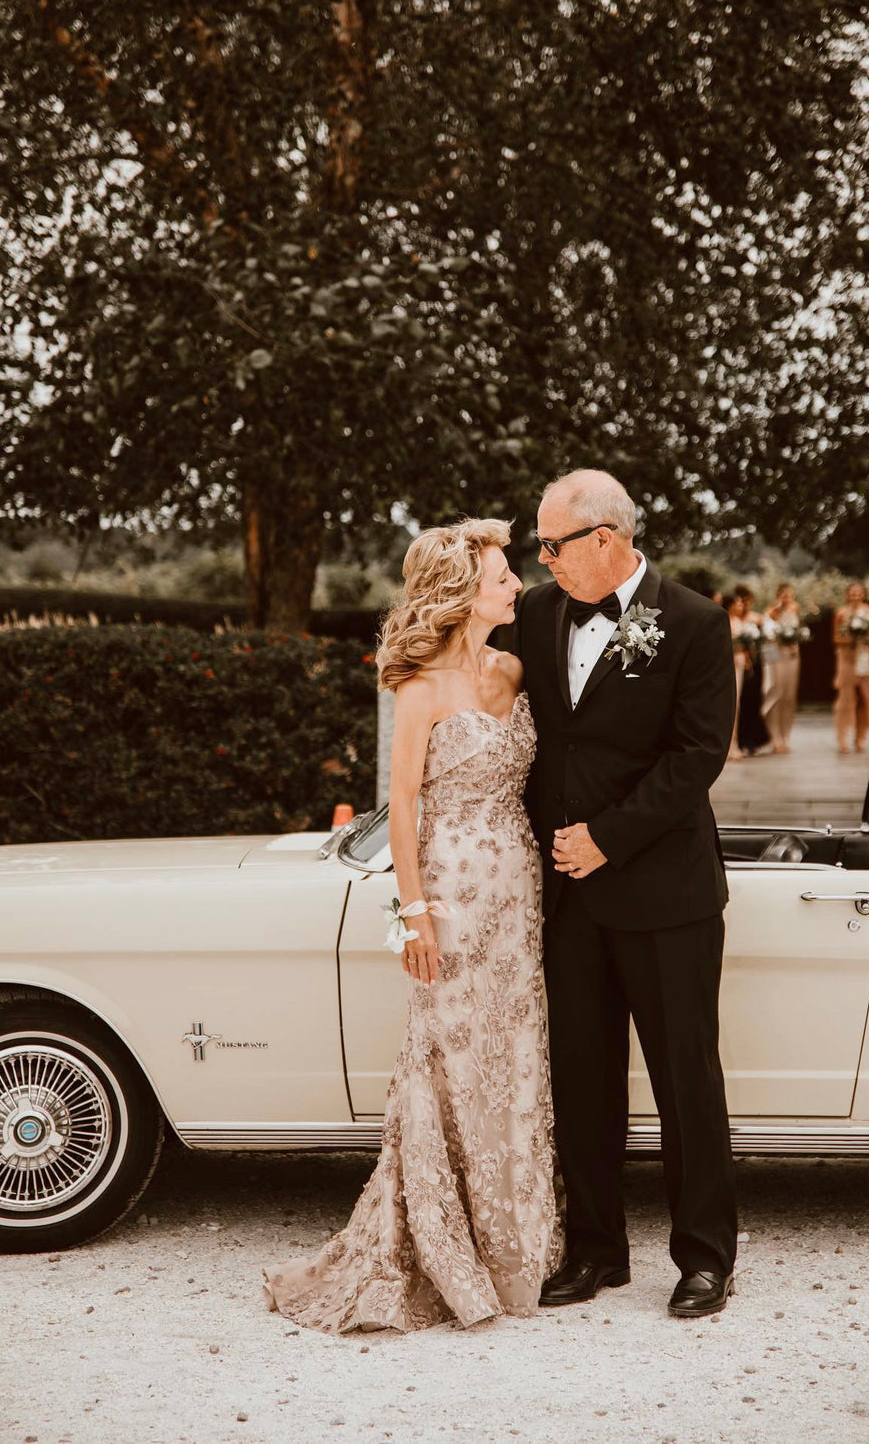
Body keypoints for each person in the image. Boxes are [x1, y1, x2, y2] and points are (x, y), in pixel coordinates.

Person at [263, 519, 562, 1332]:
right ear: (465, 594)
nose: (516, 586)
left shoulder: (516, 670)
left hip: (518, 892)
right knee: (449, 1056)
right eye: (502, 577)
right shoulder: (419, 687)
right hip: (451, 895)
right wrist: (415, 914)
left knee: (516, 1056)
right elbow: (402, 809)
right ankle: (440, 1242)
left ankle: (514, 1244)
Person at [513, 469, 737, 1320]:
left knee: (687, 1081)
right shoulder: (535, 613)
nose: (543, 559)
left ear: (604, 538)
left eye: (552, 544)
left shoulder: (696, 622)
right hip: (568, 898)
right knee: (582, 1080)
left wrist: (607, 836)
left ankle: (706, 1257)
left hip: (666, 896)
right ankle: (596, 1251)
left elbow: (697, 755)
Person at [832, 582, 869, 753]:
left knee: (864, 698)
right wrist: (852, 638)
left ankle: (860, 737)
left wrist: (865, 636)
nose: (855, 596)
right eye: (852, 593)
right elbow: (836, 637)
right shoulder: (841, 612)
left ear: (863, 594)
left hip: (865, 656)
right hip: (847, 657)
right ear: (847, 594)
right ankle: (843, 738)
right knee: (846, 698)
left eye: (858, 593)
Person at [761, 582, 805, 753]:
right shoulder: (771, 610)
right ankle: (775, 736)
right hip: (776, 655)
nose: (787, 598)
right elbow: (767, 634)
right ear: (778, 596)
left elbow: (798, 630)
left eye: (790, 595)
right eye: (783, 595)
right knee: (777, 693)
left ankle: (786, 735)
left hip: (792, 655)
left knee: (789, 695)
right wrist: (778, 610)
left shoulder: (796, 608)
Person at [734, 586, 770, 755]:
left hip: (755, 663)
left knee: (754, 700)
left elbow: (764, 641)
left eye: (748, 601)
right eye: (743, 601)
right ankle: (739, 739)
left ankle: (753, 740)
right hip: (739, 662)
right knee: (740, 700)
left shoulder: (757, 619)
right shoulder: (733, 619)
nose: (746, 605)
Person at [724, 591, 748, 761]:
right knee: (731, 702)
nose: (741, 606)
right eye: (738, 603)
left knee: (738, 703)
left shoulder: (739, 621)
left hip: (740, 662)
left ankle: (735, 744)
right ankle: (728, 746)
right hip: (729, 662)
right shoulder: (724, 620)